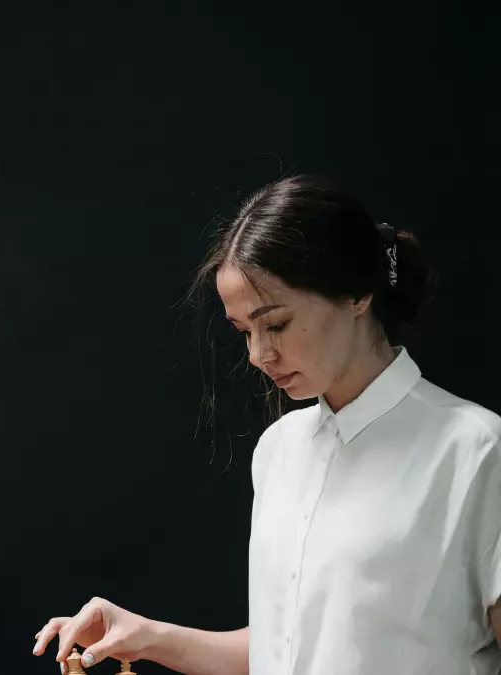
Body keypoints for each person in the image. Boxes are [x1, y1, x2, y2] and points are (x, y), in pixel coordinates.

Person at [32, 175, 501, 674]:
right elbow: (287, 648)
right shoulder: (281, 448)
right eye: (244, 332)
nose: (259, 354)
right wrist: (147, 636)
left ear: (357, 294)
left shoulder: (475, 450)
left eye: (274, 323)